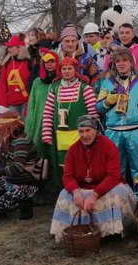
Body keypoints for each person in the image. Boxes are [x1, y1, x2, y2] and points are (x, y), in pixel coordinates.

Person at [50, 115, 138, 240]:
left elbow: (114, 176)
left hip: (107, 187)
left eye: (88, 130)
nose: (84, 135)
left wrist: (94, 195)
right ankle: (76, 232)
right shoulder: (73, 149)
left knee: (117, 194)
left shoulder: (109, 146)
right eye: (81, 131)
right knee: (64, 195)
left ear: (96, 131)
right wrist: (75, 191)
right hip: (83, 187)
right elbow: (67, 176)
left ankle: (111, 233)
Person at [97, 47, 138, 193]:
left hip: (136, 132)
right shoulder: (107, 83)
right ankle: (119, 204)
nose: (121, 64)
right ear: (114, 64)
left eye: (125, 60)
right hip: (113, 133)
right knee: (115, 172)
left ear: (131, 63)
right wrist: (107, 101)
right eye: (118, 61)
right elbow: (98, 107)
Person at [0, 110, 41, 223]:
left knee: (2, 205)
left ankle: (25, 201)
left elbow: (17, 168)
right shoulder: (11, 138)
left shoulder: (20, 141)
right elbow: (8, 161)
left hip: (26, 182)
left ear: (8, 125)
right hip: (14, 179)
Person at [42, 56, 99, 184]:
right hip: (61, 136)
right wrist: (46, 134)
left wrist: (95, 134)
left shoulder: (85, 89)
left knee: (82, 165)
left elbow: (93, 114)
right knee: (65, 167)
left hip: (82, 136)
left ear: (75, 71)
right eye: (64, 69)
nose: (66, 71)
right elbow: (47, 113)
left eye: (70, 68)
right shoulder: (54, 89)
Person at [24, 48, 60, 181]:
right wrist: (30, 125)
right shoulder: (37, 83)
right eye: (46, 62)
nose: (50, 64)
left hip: (56, 122)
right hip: (40, 122)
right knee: (40, 152)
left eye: (52, 61)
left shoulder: (60, 81)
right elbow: (32, 104)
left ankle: (57, 183)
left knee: (55, 153)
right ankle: (40, 184)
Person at [0, 34, 32, 115]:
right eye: (8, 47)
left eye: (11, 47)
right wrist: (3, 105)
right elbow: (2, 85)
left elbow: (32, 85)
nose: (8, 49)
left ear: (19, 48)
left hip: (26, 102)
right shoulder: (6, 65)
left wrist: (30, 103)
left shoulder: (29, 64)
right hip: (11, 104)